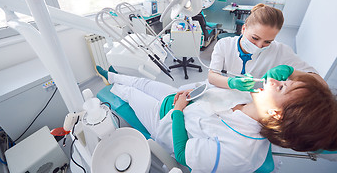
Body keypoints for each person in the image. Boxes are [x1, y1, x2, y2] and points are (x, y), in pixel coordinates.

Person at [96, 65, 337, 173]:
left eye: (282, 87)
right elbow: (278, 73)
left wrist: (178, 111)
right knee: (145, 83)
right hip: (185, 97)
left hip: (168, 116)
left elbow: (182, 153)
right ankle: (112, 75)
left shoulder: (238, 151)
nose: (274, 80)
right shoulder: (258, 97)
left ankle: (113, 85)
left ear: (276, 114)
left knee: (132, 93)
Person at [208, 3, 317, 92]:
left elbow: (319, 83)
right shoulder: (224, 44)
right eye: (255, 38)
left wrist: (291, 72)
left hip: (253, 103)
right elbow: (212, 76)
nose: (259, 46)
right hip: (225, 94)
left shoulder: (280, 50)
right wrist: (231, 83)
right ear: (244, 28)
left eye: (267, 41)